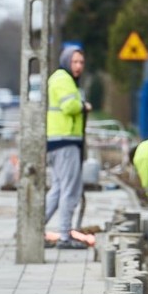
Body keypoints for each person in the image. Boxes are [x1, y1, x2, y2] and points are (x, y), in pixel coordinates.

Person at [45, 45, 91, 249]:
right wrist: (83, 106)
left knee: (57, 189)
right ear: (66, 61)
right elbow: (69, 107)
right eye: (75, 61)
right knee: (70, 190)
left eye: (81, 62)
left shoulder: (61, 78)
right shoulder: (63, 79)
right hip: (66, 141)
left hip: (58, 141)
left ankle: (33, 229)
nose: (78, 66)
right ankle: (65, 236)